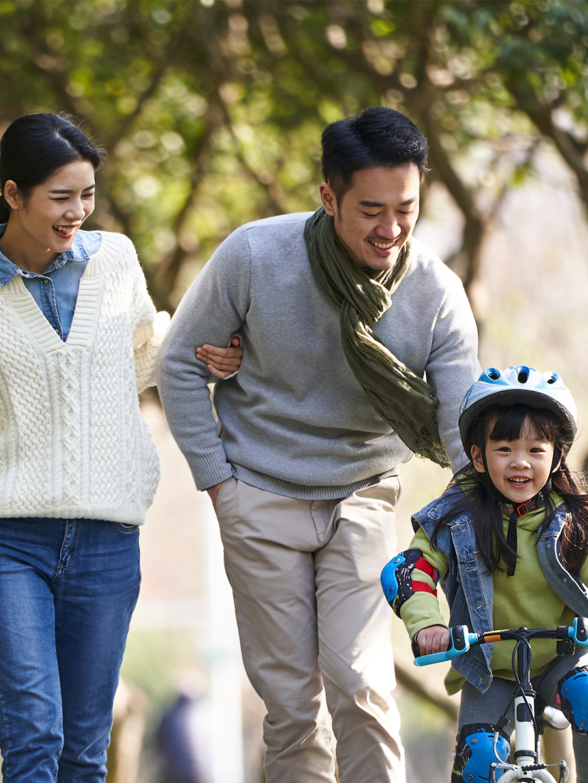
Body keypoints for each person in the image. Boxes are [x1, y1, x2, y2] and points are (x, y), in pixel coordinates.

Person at [0, 113, 241, 782]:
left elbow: (138, 360)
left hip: (107, 543)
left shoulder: (116, 262)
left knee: (84, 748)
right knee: (33, 738)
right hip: (6, 545)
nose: (78, 212)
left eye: (87, 195)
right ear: (15, 192)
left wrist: (200, 355)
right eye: (62, 197)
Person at [158, 107, 480, 782]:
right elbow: (180, 362)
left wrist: (486, 517)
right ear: (328, 197)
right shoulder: (253, 255)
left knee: (361, 684)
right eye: (371, 209)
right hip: (258, 492)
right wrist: (219, 482)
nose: (390, 229)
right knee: (292, 708)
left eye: (406, 208)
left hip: (363, 495)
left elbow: (461, 425)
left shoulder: (436, 293)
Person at [385, 365, 588, 783]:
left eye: (535, 450)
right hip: (493, 671)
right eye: (504, 449)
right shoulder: (457, 517)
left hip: (562, 660)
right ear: (477, 457)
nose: (519, 463)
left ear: (557, 455)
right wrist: (427, 625)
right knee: (478, 759)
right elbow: (409, 571)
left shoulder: (574, 520)